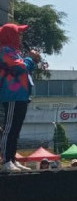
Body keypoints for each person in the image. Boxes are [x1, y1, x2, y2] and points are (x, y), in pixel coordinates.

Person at [0, 23, 40, 172]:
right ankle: (5, 161)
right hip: (11, 95)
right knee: (9, 128)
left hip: (21, 95)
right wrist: (30, 58)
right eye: (19, 33)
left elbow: (24, 68)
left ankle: (12, 159)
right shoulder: (4, 51)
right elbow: (19, 68)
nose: (21, 36)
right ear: (10, 35)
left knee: (16, 129)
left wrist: (30, 60)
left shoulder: (14, 52)